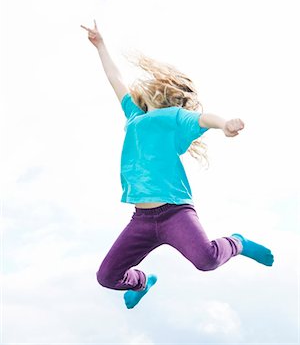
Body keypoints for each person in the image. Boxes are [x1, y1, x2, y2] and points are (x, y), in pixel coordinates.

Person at [80, 20, 274, 310]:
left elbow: (204, 118)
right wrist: (100, 45)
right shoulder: (134, 115)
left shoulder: (174, 117)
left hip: (174, 213)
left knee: (206, 260)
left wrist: (225, 125)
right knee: (107, 276)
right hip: (142, 221)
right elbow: (116, 79)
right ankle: (142, 282)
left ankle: (237, 242)